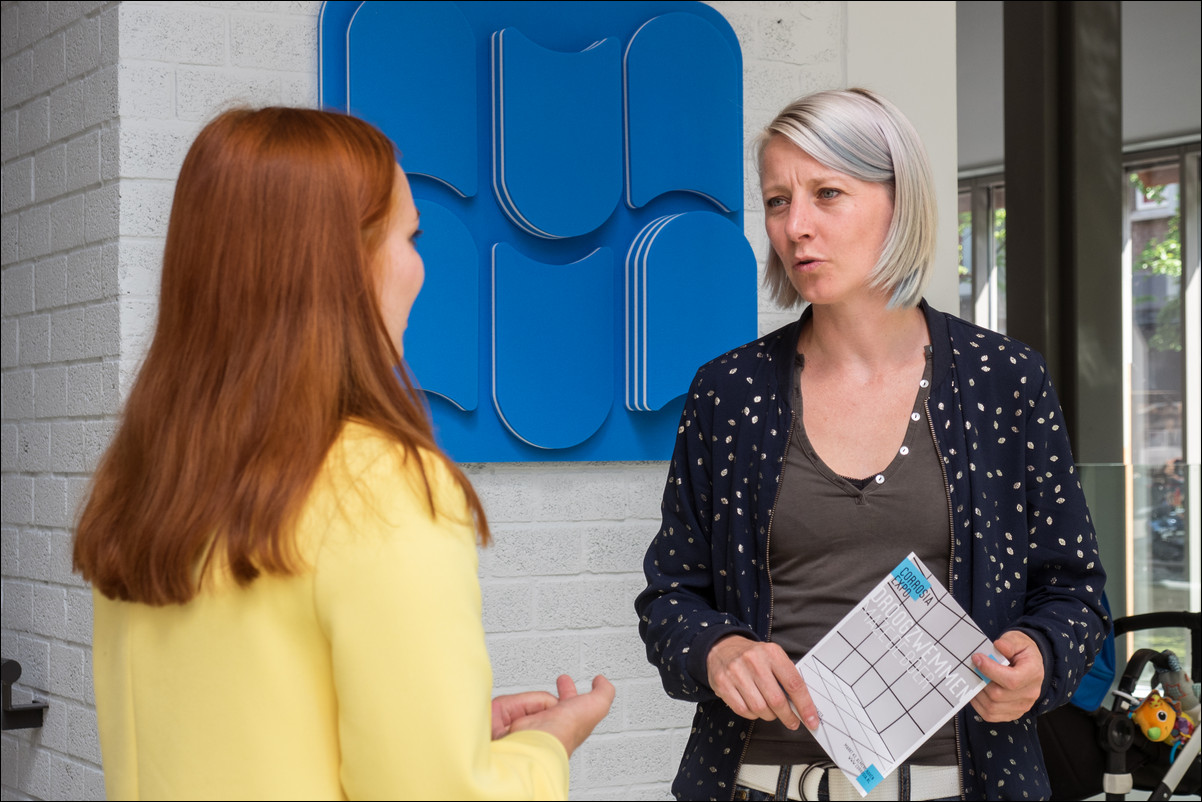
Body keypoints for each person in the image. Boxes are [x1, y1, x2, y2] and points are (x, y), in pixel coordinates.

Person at [72, 107, 614, 800]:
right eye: (410, 236)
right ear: (347, 263)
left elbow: (236, 732)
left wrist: (444, 731)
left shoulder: (146, 477)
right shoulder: (379, 482)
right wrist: (547, 749)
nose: (419, 271)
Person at [634, 88, 1109, 801]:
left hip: (964, 784)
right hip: (756, 783)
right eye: (775, 201)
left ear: (900, 201)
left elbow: (1075, 593)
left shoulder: (1004, 379)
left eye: (828, 194)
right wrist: (718, 650)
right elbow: (671, 596)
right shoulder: (728, 393)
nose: (796, 227)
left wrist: (1042, 657)